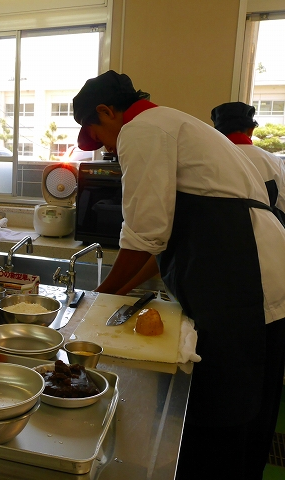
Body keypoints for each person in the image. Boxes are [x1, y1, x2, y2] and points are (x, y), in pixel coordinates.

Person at [72, 70, 285, 479]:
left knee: (225, 411)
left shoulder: (141, 129)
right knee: (253, 407)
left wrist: (98, 298)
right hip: (257, 268)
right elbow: (159, 242)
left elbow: (144, 235)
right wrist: (114, 293)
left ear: (107, 111)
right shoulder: (173, 121)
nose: (106, 147)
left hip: (239, 273)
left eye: (98, 135)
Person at [211, 101, 285, 224]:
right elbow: (282, 205)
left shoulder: (204, 157)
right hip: (263, 231)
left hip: (211, 229)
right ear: (251, 130)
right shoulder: (274, 162)